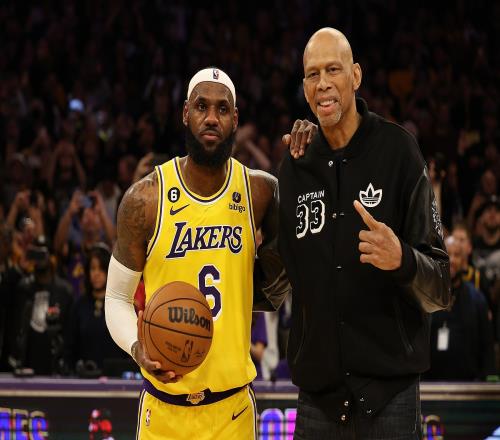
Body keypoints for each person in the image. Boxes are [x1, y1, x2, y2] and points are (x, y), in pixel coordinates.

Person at [105, 67, 312, 439]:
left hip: (231, 411)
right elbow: (116, 298)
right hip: (163, 410)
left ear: (236, 119)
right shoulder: (145, 199)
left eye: (222, 109)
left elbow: (289, 271)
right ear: (186, 113)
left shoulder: (260, 193)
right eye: (202, 106)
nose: (212, 117)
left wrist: (314, 159)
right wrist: (137, 348)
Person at [278, 28, 451, 439]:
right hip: (318, 400)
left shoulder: (399, 151)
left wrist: (403, 259)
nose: (323, 83)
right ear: (304, 87)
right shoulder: (296, 164)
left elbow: (441, 285)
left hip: (390, 397)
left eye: (333, 70)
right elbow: (281, 274)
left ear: (355, 76)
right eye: (313, 74)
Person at [425, 236, 495, 381]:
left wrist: (485, 381)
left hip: (468, 384)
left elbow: (487, 347)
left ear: (464, 261)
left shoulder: (477, 299)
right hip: (430, 384)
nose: (451, 260)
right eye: (447, 254)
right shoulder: (426, 297)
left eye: (457, 255)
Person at [66, 244, 128, 375]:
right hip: (84, 378)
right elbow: (70, 346)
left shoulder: (121, 305)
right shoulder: (79, 305)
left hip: (116, 379)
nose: (96, 274)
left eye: (101, 269)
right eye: (93, 268)